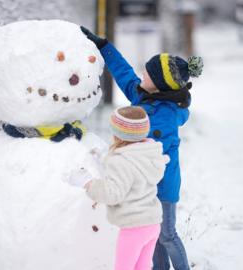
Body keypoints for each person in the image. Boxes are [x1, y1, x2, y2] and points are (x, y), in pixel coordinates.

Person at [80, 26, 204, 270]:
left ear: (157, 86)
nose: (141, 77)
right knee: (153, 235)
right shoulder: (144, 97)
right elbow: (124, 73)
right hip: (144, 186)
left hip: (163, 186)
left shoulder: (165, 116)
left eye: (146, 75)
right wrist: (104, 46)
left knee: (166, 235)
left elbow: (144, 151)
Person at [65, 106, 169, 270]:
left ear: (119, 134)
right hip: (153, 224)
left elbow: (113, 194)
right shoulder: (149, 154)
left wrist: (88, 183)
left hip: (134, 228)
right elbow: (132, 174)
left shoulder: (121, 161)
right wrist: (103, 159)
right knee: (142, 267)